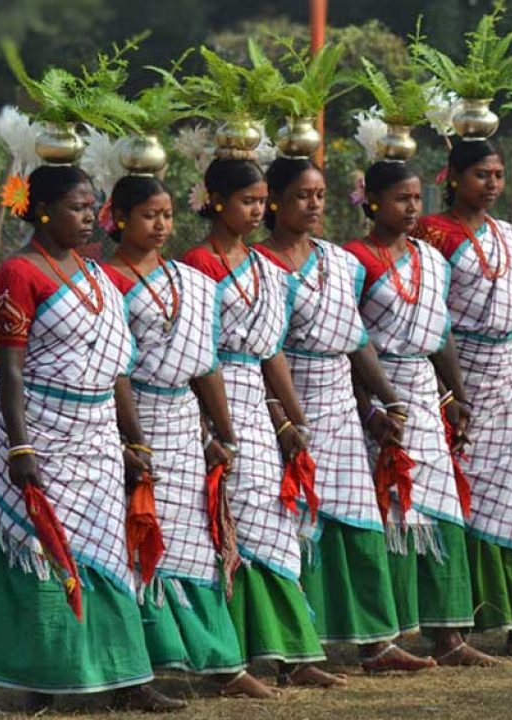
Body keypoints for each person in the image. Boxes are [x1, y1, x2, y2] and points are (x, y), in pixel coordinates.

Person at [0, 163, 183, 712]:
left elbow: (116, 369)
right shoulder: (18, 274)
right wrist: (21, 448)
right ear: (41, 210)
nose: (90, 217)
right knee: (47, 554)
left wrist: (133, 441)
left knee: (110, 554)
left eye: (93, 207)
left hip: (95, 437)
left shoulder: (96, 275)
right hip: (42, 434)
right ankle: (52, 678)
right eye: (76, 207)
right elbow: (11, 370)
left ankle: (128, 678)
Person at [255, 155, 433, 674]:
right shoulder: (261, 267)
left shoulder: (340, 262)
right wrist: (287, 419)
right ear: (275, 203)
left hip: (339, 403)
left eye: (319, 195)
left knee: (359, 523)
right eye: (301, 196)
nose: (313, 205)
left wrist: (383, 400)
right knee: (298, 525)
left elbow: (356, 342)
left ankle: (376, 642)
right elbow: (266, 352)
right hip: (288, 403)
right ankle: (299, 649)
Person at [101, 173, 276, 699]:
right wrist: (134, 440)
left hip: (182, 421)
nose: (161, 225)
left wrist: (222, 431)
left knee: (197, 541)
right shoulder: (107, 279)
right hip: (136, 421)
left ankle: (221, 663)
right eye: (149, 215)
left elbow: (205, 364)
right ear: (120, 218)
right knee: (141, 538)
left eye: (168, 215)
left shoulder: (187, 281)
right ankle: (144, 667)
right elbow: (116, 371)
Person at [179, 156, 340, 688]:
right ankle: (234, 660)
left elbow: (272, 352)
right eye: (247, 200)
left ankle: (293, 652)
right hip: (211, 400)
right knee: (234, 525)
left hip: (254, 403)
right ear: (217, 201)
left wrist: (292, 417)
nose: (257, 209)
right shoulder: (197, 265)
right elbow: (198, 354)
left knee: (273, 523)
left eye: (260, 200)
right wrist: (218, 429)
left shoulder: (264, 267)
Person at [414, 139, 512, 657]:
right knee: (460, 500)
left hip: (507, 382)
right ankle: (452, 630)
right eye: (482, 174)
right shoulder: (431, 235)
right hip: (457, 380)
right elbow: (429, 319)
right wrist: (448, 389)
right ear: (453, 177)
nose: (493, 184)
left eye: (499, 174)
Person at [344, 159, 497, 667]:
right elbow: (350, 342)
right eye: (400, 199)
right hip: (377, 394)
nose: (412, 208)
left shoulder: (431, 259)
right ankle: (383, 638)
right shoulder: (355, 260)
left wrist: (456, 393)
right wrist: (374, 406)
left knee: (442, 508)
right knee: (391, 510)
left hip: (424, 395)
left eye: (416, 198)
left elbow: (442, 331)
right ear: (373, 201)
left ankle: (449, 635)